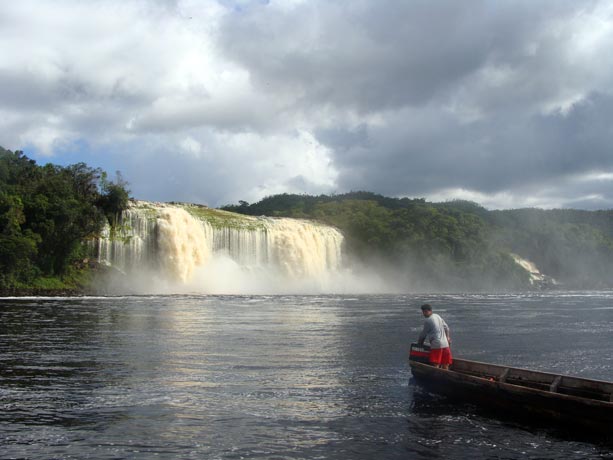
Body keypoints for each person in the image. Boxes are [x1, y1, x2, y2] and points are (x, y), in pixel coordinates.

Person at [417, 304, 452, 369]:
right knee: (445, 364)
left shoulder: (428, 320)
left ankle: (436, 377)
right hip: (445, 344)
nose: (423, 314)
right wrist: (448, 338)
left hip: (437, 345)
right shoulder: (437, 316)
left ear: (427, 311)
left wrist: (419, 344)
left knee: (436, 364)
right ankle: (445, 376)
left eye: (424, 312)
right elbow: (446, 327)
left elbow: (423, 335)